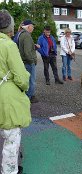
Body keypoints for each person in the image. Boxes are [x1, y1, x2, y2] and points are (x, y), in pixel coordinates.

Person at [0, 10, 31, 174]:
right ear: (9, 27)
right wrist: (25, 82)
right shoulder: (8, 45)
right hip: (6, 99)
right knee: (11, 139)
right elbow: (21, 78)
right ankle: (10, 170)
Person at [18, 19, 39, 103]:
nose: (33, 27)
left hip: (25, 62)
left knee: (28, 80)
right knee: (31, 81)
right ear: (28, 26)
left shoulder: (21, 34)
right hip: (29, 62)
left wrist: (33, 46)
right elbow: (27, 52)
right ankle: (29, 98)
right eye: (32, 26)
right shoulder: (26, 35)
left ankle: (27, 96)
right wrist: (32, 61)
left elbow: (26, 48)